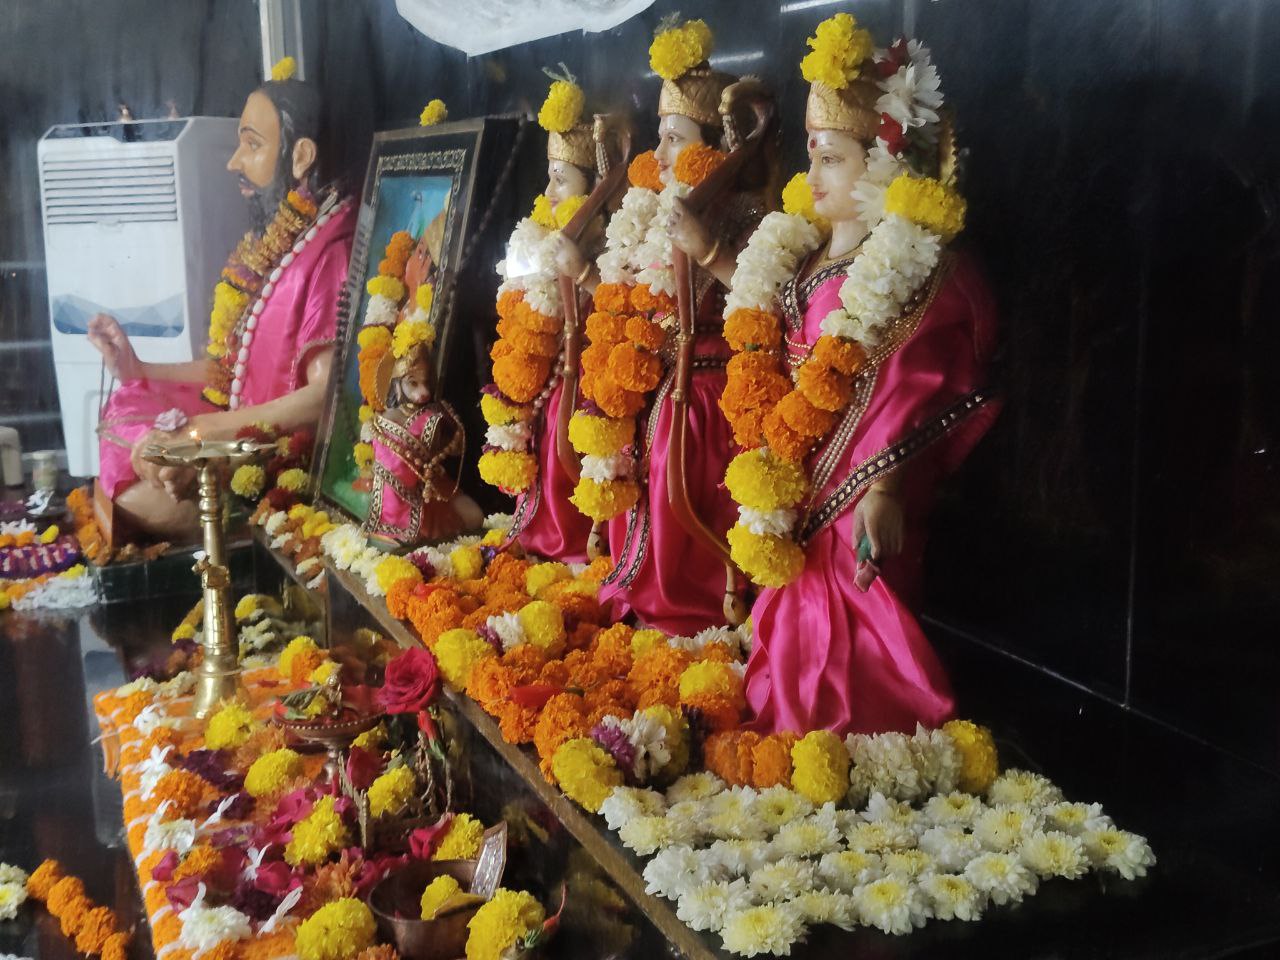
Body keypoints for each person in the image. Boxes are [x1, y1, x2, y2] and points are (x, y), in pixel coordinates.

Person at [734, 16, 1000, 736]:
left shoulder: (905, 269)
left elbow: (910, 381)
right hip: (795, 466)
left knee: (853, 623)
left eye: (833, 160)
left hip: (858, 483)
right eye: (813, 157)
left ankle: (860, 736)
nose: (813, 177)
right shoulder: (806, 249)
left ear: (882, 164)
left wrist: (885, 489)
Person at [90, 61, 354, 537]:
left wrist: (207, 433)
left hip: (277, 457)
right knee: (128, 416)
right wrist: (139, 368)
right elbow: (232, 369)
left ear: (300, 157)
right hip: (235, 427)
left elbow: (324, 398)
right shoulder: (280, 245)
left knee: (132, 500)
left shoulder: (328, 251)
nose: (234, 162)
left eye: (252, 145)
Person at [569, 19, 767, 635]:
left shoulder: (746, 213)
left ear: (714, 148)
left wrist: (709, 250)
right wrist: (586, 277)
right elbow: (629, 307)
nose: (659, 155)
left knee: (678, 491)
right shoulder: (649, 213)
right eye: (660, 137)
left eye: (675, 139)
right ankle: (637, 593)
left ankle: (690, 614)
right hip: (653, 383)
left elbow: (770, 303)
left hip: (705, 396)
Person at [499, 75, 605, 564]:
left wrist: (582, 272)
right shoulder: (540, 240)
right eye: (550, 176)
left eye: (561, 179)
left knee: (567, 442)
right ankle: (538, 532)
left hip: (587, 381)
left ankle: (572, 545)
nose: (548, 190)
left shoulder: (606, 244)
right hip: (550, 379)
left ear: (593, 188)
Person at [364, 342, 480, 548]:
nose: (424, 391)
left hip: (431, 488)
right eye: (413, 383)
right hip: (393, 499)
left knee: (475, 517)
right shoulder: (383, 419)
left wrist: (447, 447)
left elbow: (455, 447)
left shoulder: (434, 416)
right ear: (396, 384)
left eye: (426, 382)